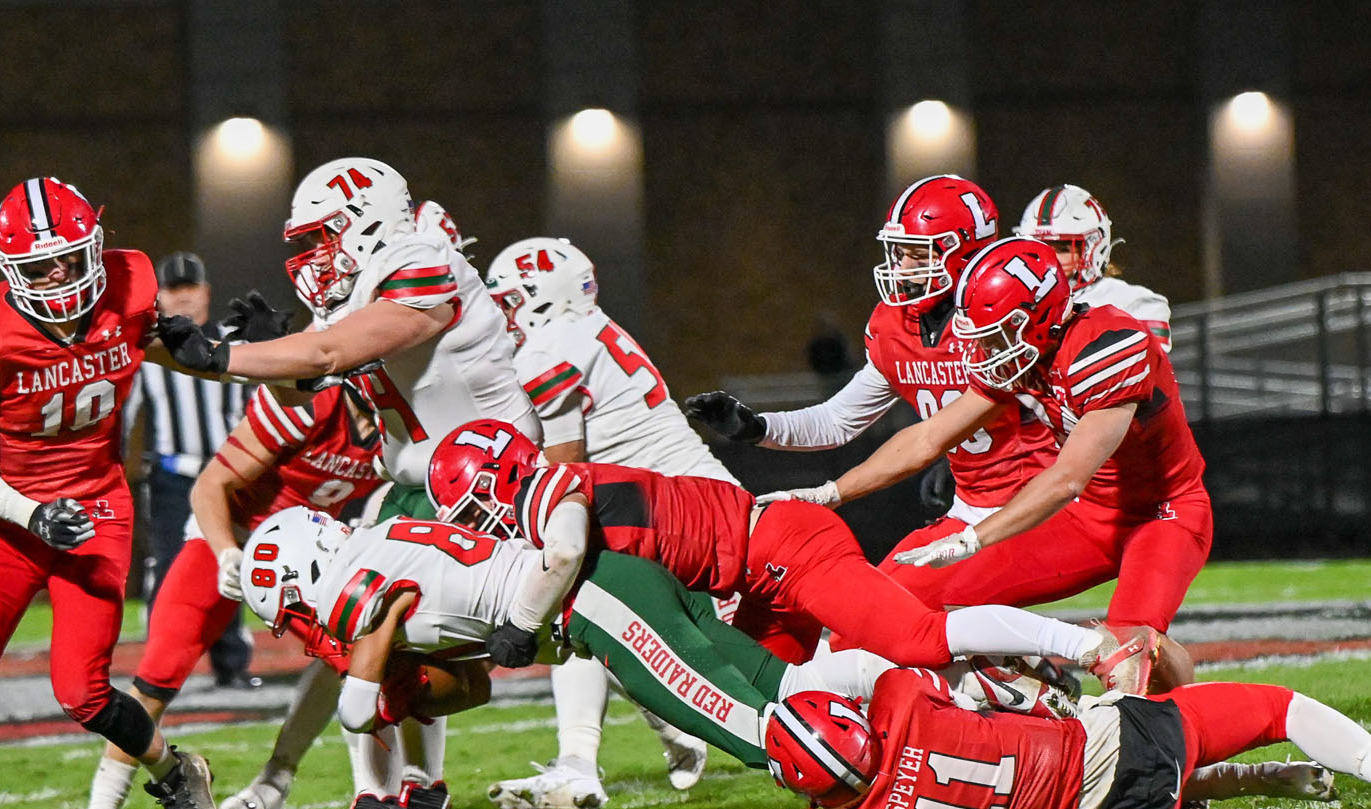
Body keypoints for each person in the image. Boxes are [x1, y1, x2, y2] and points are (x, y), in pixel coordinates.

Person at [237, 507, 1322, 809]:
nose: (291, 626)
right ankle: (1057, 685)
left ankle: (1059, 673)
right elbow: (453, 688)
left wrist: (383, 688)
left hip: (605, 602)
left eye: (285, 605)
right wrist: (446, 678)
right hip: (605, 599)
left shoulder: (366, 581)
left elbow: (361, 697)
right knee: (810, 696)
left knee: (781, 730)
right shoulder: (379, 552)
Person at [157, 160, 541, 809]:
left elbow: (333, 351)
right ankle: (377, 797)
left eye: (320, 239)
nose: (309, 260)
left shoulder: (423, 263)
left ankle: (424, 795)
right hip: (432, 478)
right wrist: (226, 347)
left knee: (420, 639)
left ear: (368, 224)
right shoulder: (364, 290)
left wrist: (232, 355)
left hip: (480, 478)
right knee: (357, 631)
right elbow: (320, 360)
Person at [0, 177, 221, 809]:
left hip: (97, 507)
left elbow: (164, 350)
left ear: (97, 244)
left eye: (69, 259)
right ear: (7, 267)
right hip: (6, 520)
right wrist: (27, 513)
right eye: (38, 266)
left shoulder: (133, 282)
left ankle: (178, 774)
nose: (58, 276)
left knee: (82, 692)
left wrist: (222, 347)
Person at [762, 238, 1210, 691]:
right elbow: (929, 437)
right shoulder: (1024, 355)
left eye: (994, 334)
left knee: (1128, 648)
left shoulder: (1107, 348)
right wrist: (832, 492)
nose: (983, 349)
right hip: (1088, 517)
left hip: (1162, 513)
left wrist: (974, 537)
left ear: (1034, 320)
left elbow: (1067, 478)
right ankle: (1020, 688)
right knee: (896, 594)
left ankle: (1186, 727)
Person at [427, 420, 1157, 693]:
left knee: (917, 636)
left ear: (495, 484)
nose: (476, 529)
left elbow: (559, 556)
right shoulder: (559, 486)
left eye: (470, 511)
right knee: (774, 693)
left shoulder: (556, 488)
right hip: (757, 569)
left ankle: (1086, 645)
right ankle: (1001, 692)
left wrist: (520, 624)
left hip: (783, 547)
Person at [38, 380, 384, 809]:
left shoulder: (394, 419)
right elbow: (210, 485)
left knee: (352, 659)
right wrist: (226, 553)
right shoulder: (312, 404)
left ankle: (321, 791)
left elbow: (393, 487)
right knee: (159, 671)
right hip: (230, 536)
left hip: (305, 555)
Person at [682, 175, 1058, 608]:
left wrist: (840, 489)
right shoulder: (894, 326)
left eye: (917, 254)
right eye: (899, 254)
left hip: (1041, 501)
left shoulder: (1008, 319)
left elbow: (1054, 411)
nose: (902, 268)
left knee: (910, 615)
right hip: (971, 507)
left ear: (964, 252)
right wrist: (757, 428)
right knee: (871, 615)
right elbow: (838, 420)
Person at [480, 235, 732, 809]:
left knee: (786, 668)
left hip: (689, 519)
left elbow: (565, 467)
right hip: (689, 506)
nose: (504, 314)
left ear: (544, 298)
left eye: (511, 300)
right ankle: (585, 762)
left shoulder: (549, 347)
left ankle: (654, 732)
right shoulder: (589, 329)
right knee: (579, 613)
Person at [772, 672, 1357, 809]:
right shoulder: (900, 699)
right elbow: (982, 681)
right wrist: (1047, 692)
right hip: (1114, 742)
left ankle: (1253, 780)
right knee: (1276, 709)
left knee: (1167, 774)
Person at [126, 251, 255, 688]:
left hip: (227, 473)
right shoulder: (149, 348)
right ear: (159, 297)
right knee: (166, 568)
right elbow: (125, 414)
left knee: (229, 563)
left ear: (206, 293)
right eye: (173, 290)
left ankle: (231, 664)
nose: (183, 298)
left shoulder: (232, 341)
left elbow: (254, 406)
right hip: (171, 477)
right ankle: (160, 669)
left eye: (190, 288)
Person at [1014, 185, 1172, 351]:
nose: (1047, 259)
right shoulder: (1014, 301)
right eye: (1039, 248)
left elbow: (1147, 369)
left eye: (1061, 249)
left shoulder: (1135, 303)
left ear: (1092, 249)